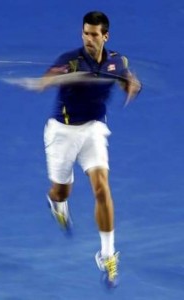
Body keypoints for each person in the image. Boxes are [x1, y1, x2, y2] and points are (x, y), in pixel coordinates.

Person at [38, 11, 141, 288]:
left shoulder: (117, 60)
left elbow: (125, 77)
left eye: (94, 34)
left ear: (105, 36)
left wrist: (132, 85)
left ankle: (107, 255)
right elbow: (49, 76)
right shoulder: (70, 61)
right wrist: (47, 81)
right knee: (61, 190)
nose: (89, 38)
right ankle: (57, 204)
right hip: (62, 131)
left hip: (94, 129)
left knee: (101, 187)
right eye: (85, 33)